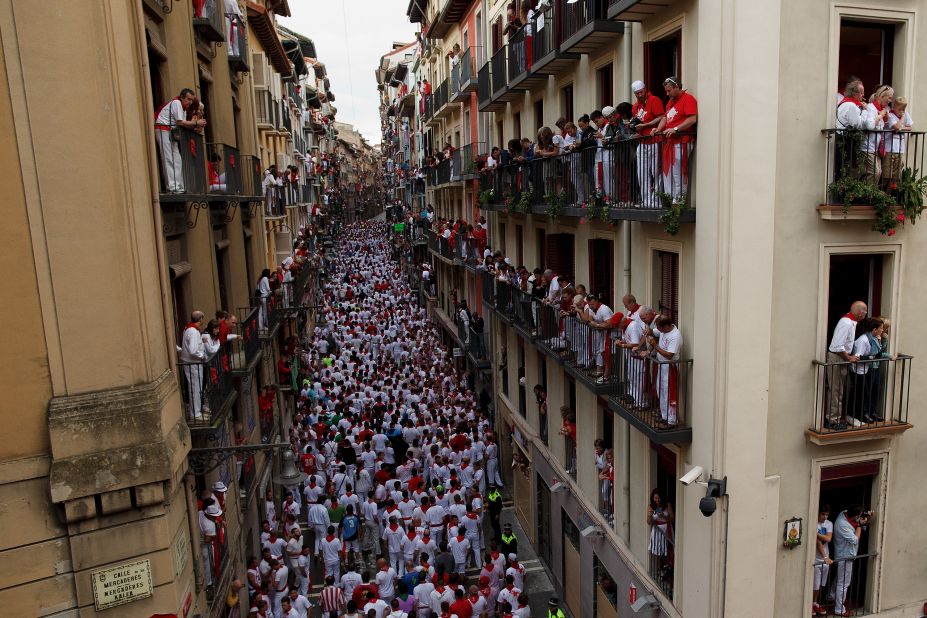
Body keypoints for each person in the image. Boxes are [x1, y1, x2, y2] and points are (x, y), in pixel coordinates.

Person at [655, 77, 698, 202]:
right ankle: (670, 198)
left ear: (677, 87)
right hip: (671, 142)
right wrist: (658, 129)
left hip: (682, 140)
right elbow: (665, 117)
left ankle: (679, 200)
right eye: (666, 91)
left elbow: (692, 119)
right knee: (668, 171)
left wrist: (676, 129)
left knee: (678, 172)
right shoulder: (670, 102)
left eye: (669, 91)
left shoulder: (688, 99)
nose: (667, 94)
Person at [826, 301, 867, 430]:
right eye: (865, 311)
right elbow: (837, 345)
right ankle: (832, 420)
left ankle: (839, 418)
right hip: (837, 358)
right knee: (836, 390)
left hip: (841, 358)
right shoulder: (846, 323)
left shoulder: (851, 322)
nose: (866, 314)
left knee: (843, 389)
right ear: (860, 312)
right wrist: (848, 357)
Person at [154, 88, 204, 192]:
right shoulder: (176, 103)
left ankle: (178, 186)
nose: (190, 102)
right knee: (168, 158)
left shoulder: (183, 108)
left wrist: (196, 125)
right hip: (163, 130)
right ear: (182, 97)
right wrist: (196, 123)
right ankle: (172, 187)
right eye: (188, 99)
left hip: (170, 132)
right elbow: (180, 122)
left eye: (191, 100)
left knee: (177, 160)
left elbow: (184, 124)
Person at [631, 80, 666, 207]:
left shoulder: (654, 100)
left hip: (655, 140)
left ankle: (656, 200)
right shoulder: (635, 106)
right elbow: (637, 122)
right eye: (636, 94)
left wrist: (646, 125)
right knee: (642, 172)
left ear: (645, 89)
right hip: (642, 141)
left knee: (656, 171)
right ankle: (646, 201)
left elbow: (662, 117)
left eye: (641, 92)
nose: (639, 95)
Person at [833, 506, 873, 617]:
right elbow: (855, 539)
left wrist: (865, 520)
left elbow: (855, 524)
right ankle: (839, 609)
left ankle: (832, 596)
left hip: (843, 555)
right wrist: (860, 524)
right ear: (855, 516)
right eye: (859, 516)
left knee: (840, 579)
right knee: (844, 584)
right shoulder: (842, 524)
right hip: (845, 556)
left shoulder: (844, 513)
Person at [646, 316, 682, 427]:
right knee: (660, 389)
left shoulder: (675, 336)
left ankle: (671, 421)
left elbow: (669, 355)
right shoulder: (663, 330)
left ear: (666, 326)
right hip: (661, 365)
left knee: (668, 392)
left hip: (669, 366)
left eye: (659, 328)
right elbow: (653, 332)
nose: (658, 330)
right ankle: (664, 416)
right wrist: (649, 330)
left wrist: (655, 345)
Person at [862, 85, 893, 185]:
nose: (890, 100)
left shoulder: (880, 109)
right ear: (882, 96)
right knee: (874, 172)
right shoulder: (871, 108)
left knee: (878, 172)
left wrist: (885, 118)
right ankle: (866, 196)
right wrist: (880, 116)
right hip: (867, 146)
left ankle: (871, 195)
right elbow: (870, 126)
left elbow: (884, 125)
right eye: (889, 97)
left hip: (875, 148)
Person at [179, 310, 208, 421]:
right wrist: (202, 355)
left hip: (190, 363)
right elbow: (192, 350)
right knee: (196, 388)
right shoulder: (193, 332)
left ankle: (196, 411)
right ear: (200, 319)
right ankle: (195, 414)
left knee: (195, 388)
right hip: (194, 364)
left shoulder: (188, 329)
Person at [647, 489, 674, 586]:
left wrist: (664, 516)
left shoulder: (667, 505)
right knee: (658, 551)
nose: (657, 500)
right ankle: (660, 570)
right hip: (657, 531)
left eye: (658, 498)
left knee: (667, 550)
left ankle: (668, 569)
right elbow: (648, 522)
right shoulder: (651, 507)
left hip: (666, 529)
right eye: (655, 498)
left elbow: (672, 518)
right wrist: (650, 516)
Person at [812, 505, 834, 617]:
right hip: (817, 558)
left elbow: (828, 539)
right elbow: (818, 543)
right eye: (823, 514)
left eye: (827, 514)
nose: (825, 517)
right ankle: (811, 603)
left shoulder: (829, 524)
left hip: (826, 559)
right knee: (815, 584)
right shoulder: (813, 523)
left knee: (820, 584)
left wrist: (816, 534)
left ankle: (815, 602)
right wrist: (825, 557)